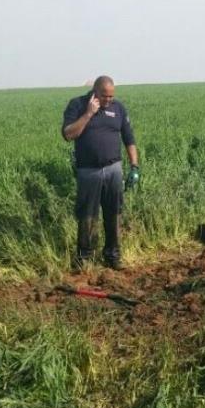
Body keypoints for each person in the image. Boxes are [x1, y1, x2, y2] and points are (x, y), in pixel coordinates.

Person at [62, 76, 139, 270]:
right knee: (87, 216)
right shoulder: (78, 105)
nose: (108, 100)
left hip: (114, 169)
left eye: (111, 96)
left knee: (114, 213)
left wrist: (134, 167)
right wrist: (88, 114)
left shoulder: (118, 108)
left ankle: (112, 255)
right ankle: (84, 258)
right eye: (105, 96)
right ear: (95, 92)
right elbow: (68, 134)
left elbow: (129, 139)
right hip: (88, 171)